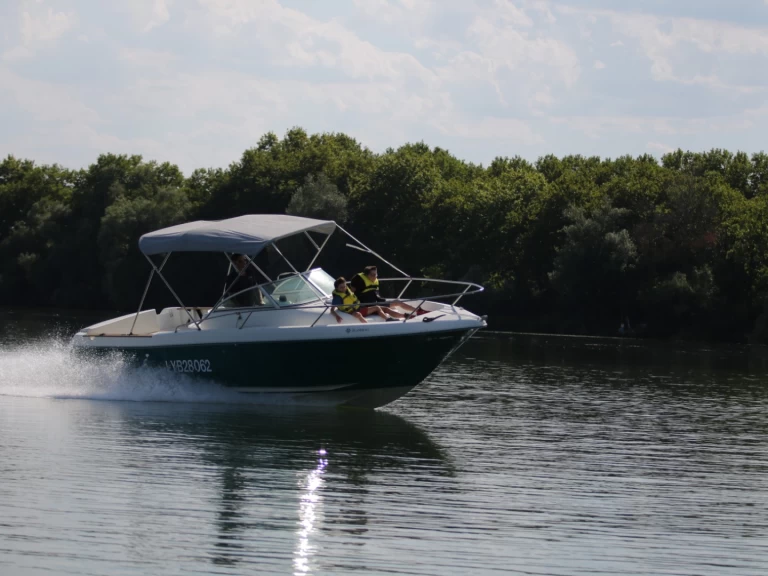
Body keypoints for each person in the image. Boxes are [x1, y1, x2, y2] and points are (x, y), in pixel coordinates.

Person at [349, 265, 424, 316]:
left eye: (376, 274)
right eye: (373, 275)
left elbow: (376, 294)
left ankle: (418, 311)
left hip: (377, 301)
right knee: (387, 309)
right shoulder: (359, 280)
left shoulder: (375, 280)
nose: (375, 277)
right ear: (367, 275)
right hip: (368, 305)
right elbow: (351, 292)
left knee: (398, 302)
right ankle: (407, 316)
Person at [330, 277, 401, 323]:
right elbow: (332, 310)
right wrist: (337, 316)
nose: (343, 288)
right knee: (358, 314)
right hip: (351, 311)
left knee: (377, 307)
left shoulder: (347, 290)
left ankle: (388, 320)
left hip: (359, 307)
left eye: (344, 286)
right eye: (341, 287)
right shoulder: (337, 298)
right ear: (337, 289)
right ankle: (367, 326)